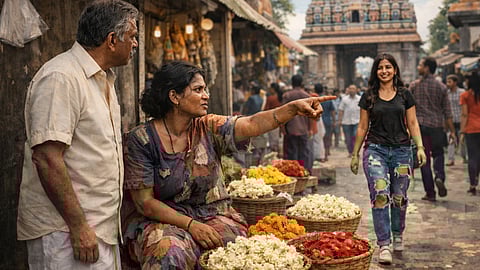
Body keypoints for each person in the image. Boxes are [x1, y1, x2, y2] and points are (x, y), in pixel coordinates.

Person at [122, 61, 336, 269]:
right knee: (169, 252)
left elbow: (251, 123)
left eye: (206, 89)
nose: (206, 95)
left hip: (210, 213)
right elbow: (145, 203)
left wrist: (291, 109)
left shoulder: (207, 127)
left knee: (239, 250)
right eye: (198, 89)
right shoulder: (142, 139)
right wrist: (190, 226)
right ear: (174, 96)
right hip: (162, 220)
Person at [17, 0, 139, 268]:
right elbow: (47, 158)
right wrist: (79, 226)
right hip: (66, 232)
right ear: (111, 39)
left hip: (97, 229)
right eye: (132, 37)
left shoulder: (102, 79)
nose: (135, 44)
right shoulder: (61, 77)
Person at [350, 53, 426, 265]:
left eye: (388, 67)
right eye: (380, 67)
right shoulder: (369, 96)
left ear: (394, 70)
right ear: (375, 71)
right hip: (376, 151)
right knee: (381, 194)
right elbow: (362, 126)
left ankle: (397, 233)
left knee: (399, 197)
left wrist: (419, 147)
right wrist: (355, 153)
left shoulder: (405, 95)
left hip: (402, 151)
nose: (384, 71)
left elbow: (413, 123)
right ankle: (384, 244)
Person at [409, 57, 456, 201]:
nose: (418, 67)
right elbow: (447, 111)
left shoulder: (414, 86)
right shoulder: (441, 87)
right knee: (438, 154)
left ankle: (430, 193)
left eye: (420, 65)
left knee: (424, 159)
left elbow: (408, 109)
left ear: (427, 68)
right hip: (437, 127)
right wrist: (452, 131)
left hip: (420, 128)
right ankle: (439, 176)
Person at [282, 74, 316, 173]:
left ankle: (293, 173)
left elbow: (282, 114)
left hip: (290, 129)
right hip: (303, 129)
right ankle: (302, 171)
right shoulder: (306, 96)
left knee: (292, 153)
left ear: (292, 83)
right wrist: (310, 129)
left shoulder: (287, 95)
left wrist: (283, 129)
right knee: (303, 153)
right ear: (301, 83)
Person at [460, 72, 480, 195]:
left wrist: (462, 131)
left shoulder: (465, 95)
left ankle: (473, 184)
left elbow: (464, 115)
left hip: (471, 129)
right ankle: (476, 177)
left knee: (472, 157)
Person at [445, 74, 466, 166]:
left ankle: (464, 157)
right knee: (451, 140)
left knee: (463, 141)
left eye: (450, 81)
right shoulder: (446, 93)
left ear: (455, 82)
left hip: (461, 120)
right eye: (447, 82)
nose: (448, 84)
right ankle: (451, 159)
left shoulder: (462, 92)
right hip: (451, 121)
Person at [338, 84, 361, 157]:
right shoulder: (344, 99)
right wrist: (340, 120)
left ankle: (355, 151)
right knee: (348, 138)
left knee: (355, 136)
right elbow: (341, 110)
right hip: (346, 122)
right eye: (350, 89)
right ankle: (350, 151)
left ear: (356, 90)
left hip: (357, 121)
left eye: (353, 89)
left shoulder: (360, 99)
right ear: (348, 90)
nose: (352, 90)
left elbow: (363, 110)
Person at [315, 83, 335, 161]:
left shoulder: (314, 99)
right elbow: (332, 111)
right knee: (327, 138)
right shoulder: (327, 99)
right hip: (327, 121)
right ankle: (326, 154)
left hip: (317, 121)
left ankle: (320, 154)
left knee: (319, 139)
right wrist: (333, 121)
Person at [264, 82, 284, 154]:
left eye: (270, 88)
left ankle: (274, 155)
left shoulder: (270, 98)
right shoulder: (281, 97)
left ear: (273, 89)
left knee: (272, 141)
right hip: (281, 121)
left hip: (272, 122)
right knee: (278, 140)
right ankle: (278, 154)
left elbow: (265, 110)